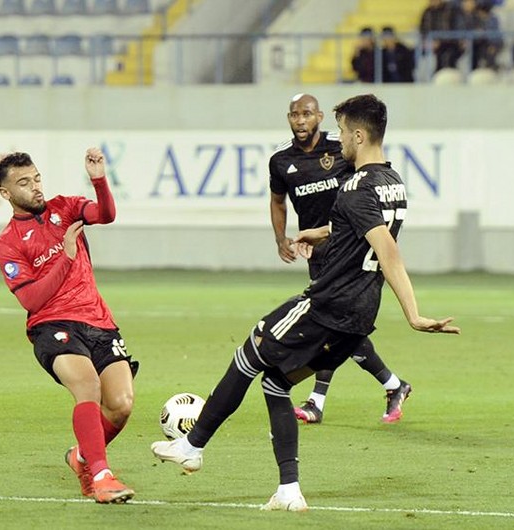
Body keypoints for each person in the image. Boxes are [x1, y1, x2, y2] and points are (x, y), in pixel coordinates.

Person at [152, 94, 460, 511]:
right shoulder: (393, 182)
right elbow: (362, 229)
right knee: (276, 383)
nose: (340, 144)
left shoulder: (355, 188)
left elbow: (387, 250)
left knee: (250, 351)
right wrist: (321, 232)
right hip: (360, 315)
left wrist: (414, 315)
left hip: (328, 303)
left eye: (345, 134)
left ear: (358, 134)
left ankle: (193, 445)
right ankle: (288, 490)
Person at [0, 148, 136, 504]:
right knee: (88, 386)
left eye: (37, 178)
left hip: (98, 321)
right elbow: (31, 300)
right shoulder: (8, 243)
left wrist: (99, 179)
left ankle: (82, 457)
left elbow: (105, 214)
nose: (35, 187)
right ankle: (101, 474)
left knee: (121, 404)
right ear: (6, 193)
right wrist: (66, 257)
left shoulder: (66, 208)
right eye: (24, 183)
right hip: (52, 325)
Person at [269, 93, 413, 425]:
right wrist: (283, 237)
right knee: (340, 327)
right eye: (294, 115)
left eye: (306, 114)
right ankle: (392, 385)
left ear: (318, 116)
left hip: (346, 248)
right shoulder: (281, 161)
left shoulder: (342, 151)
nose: (300, 120)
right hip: (318, 249)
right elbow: (277, 201)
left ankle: (320, 400)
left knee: (335, 325)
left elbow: (365, 191)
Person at [419, 0, 461, 71]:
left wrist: (439, 41)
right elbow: (423, 29)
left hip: (449, 43)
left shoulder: (450, 10)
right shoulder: (427, 12)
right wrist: (428, 41)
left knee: (447, 55)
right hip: (433, 43)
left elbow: (453, 30)